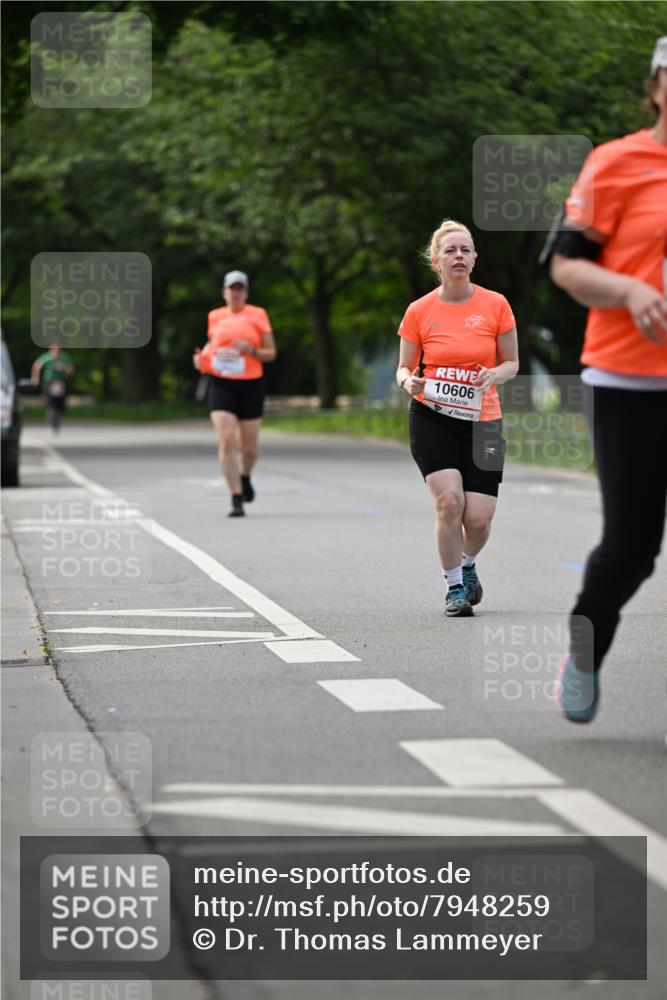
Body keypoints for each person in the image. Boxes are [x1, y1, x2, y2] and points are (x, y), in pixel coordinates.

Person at [546, 37, 667, 723]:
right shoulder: (615, 163)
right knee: (631, 549)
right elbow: (565, 266)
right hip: (629, 382)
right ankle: (586, 650)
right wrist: (626, 289)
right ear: (653, 88)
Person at [396, 219, 519, 617]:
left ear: (475, 259)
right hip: (432, 416)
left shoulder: (495, 304)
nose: (459, 256)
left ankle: (467, 566)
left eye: (465, 250)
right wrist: (407, 383)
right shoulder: (419, 311)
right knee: (449, 503)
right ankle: (454, 589)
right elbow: (403, 368)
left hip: (483, 419)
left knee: (479, 518)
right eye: (450, 250)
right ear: (436, 261)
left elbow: (512, 362)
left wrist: (495, 374)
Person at [194, 270, 277, 517]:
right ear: (224, 292)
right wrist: (201, 360)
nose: (236, 293)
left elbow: (271, 353)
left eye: (240, 288)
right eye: (232, 288)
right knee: (226, 440)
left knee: (248, 448)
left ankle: (245, 475)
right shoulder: (215, 317)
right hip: (221, 384)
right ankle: (235, 496)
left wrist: (251, 349)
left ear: (246, 292)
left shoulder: (258, 315)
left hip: (251, 383)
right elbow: (211, 347)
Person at [31, 342, 74, 435]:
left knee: (60, 405)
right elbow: (37, 366)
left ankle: (58, 416)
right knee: (50, 403)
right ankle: (52, 420)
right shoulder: (47, 357)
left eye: (58, 350)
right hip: (49, 383)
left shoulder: (65, 358)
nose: (56, 353)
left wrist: (63, 368)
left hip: (61, 382)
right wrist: (35, 378)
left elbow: (71, 370)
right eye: (54, 350)